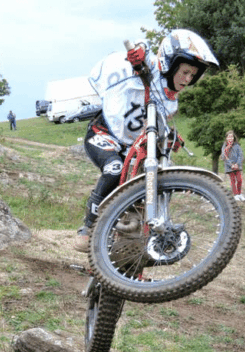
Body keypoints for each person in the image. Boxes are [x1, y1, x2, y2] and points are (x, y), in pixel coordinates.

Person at [73, 29, 219, 253]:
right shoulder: (149, 67)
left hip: (130, 147)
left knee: (146, 182)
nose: (188, 79)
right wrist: (139, 51)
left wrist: (168, 136)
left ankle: (132, 240)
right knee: (114, 169)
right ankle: (88, 227)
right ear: (170, 63)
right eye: (185, 72)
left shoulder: (171, 102)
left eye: (193, 75)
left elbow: (156, 125)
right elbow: (143, 48)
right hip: (103, 133)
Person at [221, 130, 245, 201]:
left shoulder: (237, 146)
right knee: (233, 180)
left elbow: (240, 155)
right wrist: (231, 164)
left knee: (239, 180)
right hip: (229, 167)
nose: (230, 138)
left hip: (237, 166)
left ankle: (240, 193)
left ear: (234, 138)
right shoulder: (224, 147)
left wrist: (237, 164)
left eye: (231, 137)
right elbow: (224, 157)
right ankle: (235, 194)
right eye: (229, 137)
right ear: (226, 138)